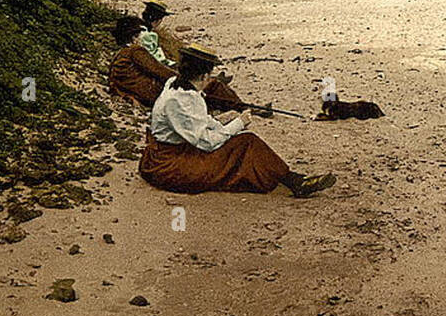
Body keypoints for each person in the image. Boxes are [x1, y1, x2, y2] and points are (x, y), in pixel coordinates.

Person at [139, 43, 335, 197]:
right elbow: (206, 142)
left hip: (173, 151)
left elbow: (201, 121)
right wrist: (238, 124)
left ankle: (293, 179)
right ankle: (295, 182)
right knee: (246, 143)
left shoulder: (176, 83)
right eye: (210, 75)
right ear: (205, 75)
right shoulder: (180, 101)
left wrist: (224, 125)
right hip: (168, 164)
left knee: (242, 142)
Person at [108, 16, 247, 112]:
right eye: (141, 33)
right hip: (154, 94)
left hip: (144, 93)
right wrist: (188, 80)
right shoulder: (135, 51)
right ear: (134, 36)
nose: (144, 37)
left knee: (205, 87)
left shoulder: (120, 55)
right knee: (212, 86)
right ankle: (245, 108)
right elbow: (159, 71)